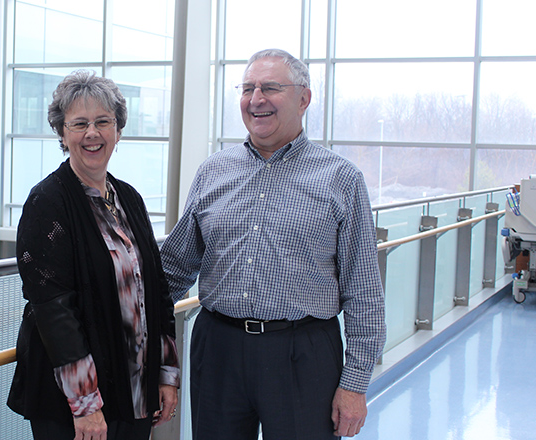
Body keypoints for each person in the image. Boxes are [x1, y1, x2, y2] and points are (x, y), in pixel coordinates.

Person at [160, 49, 386, 439]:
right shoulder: (213, 171)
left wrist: (355, 383)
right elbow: (173, 268)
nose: (256, 99)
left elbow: (363, 290)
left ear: (304, 98)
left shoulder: (340, 179)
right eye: (248, 88)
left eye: (270, 88)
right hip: (218, 350)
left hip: (304, 352)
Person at [7, 70, 180, 440]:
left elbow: (157, 292)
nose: (92, 133)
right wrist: (85, 405)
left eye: (103, 122)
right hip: (75, 405)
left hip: (135, 392)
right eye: (80, 123)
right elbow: (52, 309)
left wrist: (166, 375)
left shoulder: (129, 198)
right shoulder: (47, 203)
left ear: (118, 130)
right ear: (62, 132)